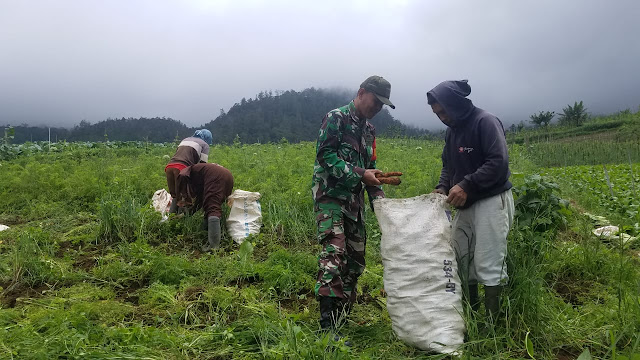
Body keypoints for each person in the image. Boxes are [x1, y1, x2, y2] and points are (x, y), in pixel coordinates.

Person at [311, 75, 395, 337]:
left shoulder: (369, 130)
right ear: (361, 93)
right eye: (375, 101)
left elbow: (371, 171)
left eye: (383, 105)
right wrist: (360, 174)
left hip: (354, 203)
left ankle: (341, 317)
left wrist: (381, 204)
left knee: (356, 260)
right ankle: (327, 325)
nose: (378, 108)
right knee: (334, 254)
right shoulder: (336, 118)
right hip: (331, 198)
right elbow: (325, 156)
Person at [427, 80, 514, 322]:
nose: (442, 118)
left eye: (443, 111)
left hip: (490, 200)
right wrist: (443, 186)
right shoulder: (452, 130)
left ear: (455, 103)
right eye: (437, 114)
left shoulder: (485, 122)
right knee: (461, 257)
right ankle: (471, 314)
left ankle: (492, 323)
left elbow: (498, 162)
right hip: (465, 204)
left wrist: (467, 184)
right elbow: (449, 165)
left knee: (489, 259)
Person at [175, 162, 234, 251]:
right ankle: (209, 237)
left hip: (215, 176)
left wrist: (181, 193)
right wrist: (185, 215)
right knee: (210, 205)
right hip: (227, 175)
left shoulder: (185, 173)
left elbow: (182, 175)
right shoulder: (199, 178)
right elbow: (199, 203)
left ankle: (214, 246)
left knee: (212, 208)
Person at [165, 129, 213, 214]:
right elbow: (203, 164)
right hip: (182, 168)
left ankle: (171, 221)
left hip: (169, 167)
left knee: (175, 196)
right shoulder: (204, 145)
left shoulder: (185, 140)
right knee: (184, 197)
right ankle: (182, 222)